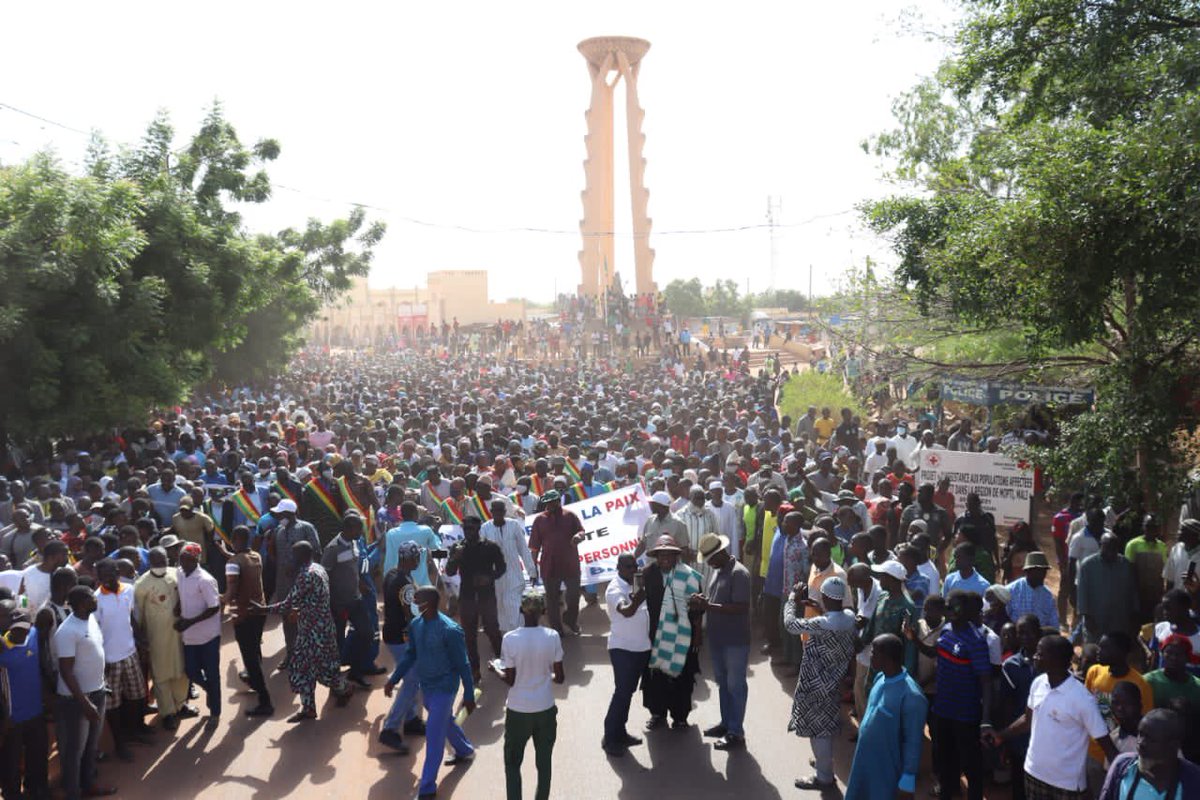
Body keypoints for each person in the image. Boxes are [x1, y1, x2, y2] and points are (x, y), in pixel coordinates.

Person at [985, 634, 1118, 799]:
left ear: (1056, 659)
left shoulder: (1082, 699)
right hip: (1033, 773)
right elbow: (1028, 720)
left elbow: (1105, 743)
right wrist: (1001, 736)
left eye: (1040, 654)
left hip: (1066, 785)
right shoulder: (1038, 683)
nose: (1035, 656)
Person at [389, 586, 476, 800]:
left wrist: (469, 694)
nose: (415, 602)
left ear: (431, 602)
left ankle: (427, 787)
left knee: (434, 735)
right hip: (426, 687)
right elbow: (410, 656)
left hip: (446, 688)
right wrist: (393, 679)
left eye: (419, 599)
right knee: (444, 721)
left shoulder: (451, 630)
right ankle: (464, 750)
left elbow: (463, 664)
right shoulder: (416, 626)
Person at [909, 589, 992, 800]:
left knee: (970, 764)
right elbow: (933, 652)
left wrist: (985, 720)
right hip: (942, 709)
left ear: (967, 611)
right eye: (950, 606)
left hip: (965, 714)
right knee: (946, 761)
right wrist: (913, 638)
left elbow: (986, 682)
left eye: (958, 607)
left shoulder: (975, 640)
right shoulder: (946, 631)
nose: (953, 610)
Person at [783, 575, 858, 791]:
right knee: (826, 726)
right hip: (833, 682)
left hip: (814, 683)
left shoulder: (821, 623)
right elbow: (835, 619)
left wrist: (791, 599)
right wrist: (820, 608)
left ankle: (824, 777)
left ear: (824, 596)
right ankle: (824, 763)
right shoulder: (849, 618)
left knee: (818, 732)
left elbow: (790, 625)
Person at [490, 587, 564, 800]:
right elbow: (559, 678)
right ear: (543, 611)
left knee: (512, 764)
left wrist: (495, 669)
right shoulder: (553, 636)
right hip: (545, 709)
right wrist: (543, 677)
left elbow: (510, 680)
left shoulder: (511, 639)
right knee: (544, 764)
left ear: (521, 610)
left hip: (518, 711)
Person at [845, 633, 927, 800]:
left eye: (874, 652)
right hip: (864, 764)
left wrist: (907, 781)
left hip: (886, 772)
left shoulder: (912, 696)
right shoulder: (880, 678)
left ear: (887, 657)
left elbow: (913, 742)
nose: (870, 656)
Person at [54, 585, 117, 799]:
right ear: (81, 603)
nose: (96, 598)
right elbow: (65, 670)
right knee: (75, 750)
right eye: (91, 597)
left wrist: (101, 683)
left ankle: (88, 785)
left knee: (91, 745)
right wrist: (84, 703)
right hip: (77, 700)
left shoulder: (89, 619)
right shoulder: (67, 631)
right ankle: (73, 792)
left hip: (97, 692)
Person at [693, 532, 752, 751]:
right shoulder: (718, 571)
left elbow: (740, 606)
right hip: (717, 638)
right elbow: (717, 601)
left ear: (719, 553)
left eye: (709, 558)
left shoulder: (739, 574)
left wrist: (708, 607)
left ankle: (736, 732)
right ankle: (726, 723)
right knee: (723, 684)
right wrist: (705, 603)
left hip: (735, 640)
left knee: (735, 686)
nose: (708, 563)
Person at [642, 535, 704, 730]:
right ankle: (657, 714)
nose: (665, 558)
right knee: (655, 676)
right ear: (656, 557)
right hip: (654, 635)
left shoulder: (690, 576)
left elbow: (698, 608)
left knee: (682, 677)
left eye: (670, 554)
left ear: (677, 556)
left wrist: (697, 635)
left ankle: (680, 716)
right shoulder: (647, 574)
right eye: (661, 555)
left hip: (682, 636)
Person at [94, 557, 152, 760]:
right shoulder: (96, 600)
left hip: (130, 652)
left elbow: (131, 619)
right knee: (114, 705)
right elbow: (95, 635)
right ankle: (120, 743)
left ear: (118, 572)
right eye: (102, 576)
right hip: (110, 660)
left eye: (110, 574)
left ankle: (137, 729)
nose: (106, 579)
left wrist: (141, 641)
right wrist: (101, 663)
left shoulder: (128, 589)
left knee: (137, 695)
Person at [1084, 632, 1154, 790]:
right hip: (1094, 752)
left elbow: (1146, 722)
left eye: (1105, 648)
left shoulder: (1140, 684)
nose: (1098, 651)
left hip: (1123, 754)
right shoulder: (1094, 672)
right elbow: (1086, 709)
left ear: (1122, 652)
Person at [133, 547, 193, 730]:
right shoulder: (141, 585)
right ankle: (167, 712)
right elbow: (138, 615)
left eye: (163, 560)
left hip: (179, 634)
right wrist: (142, 639)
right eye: (156, 561)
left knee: (182, 671)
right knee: (161, 675)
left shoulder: (178, 574)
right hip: (156, 637)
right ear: (150, 562)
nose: (161, 564)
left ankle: (181, 705)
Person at [446, 515, 506, 681]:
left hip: (487, 596)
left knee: (492, 630)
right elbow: (449, 572)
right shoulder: (457, 548)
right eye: (465, 529)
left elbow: (502, 567)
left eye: (471, 528)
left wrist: (490, 577)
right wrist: (455, 557)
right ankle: (475, 670)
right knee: (469, 635)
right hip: (467, 597)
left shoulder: (490, 547)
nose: (467, 532)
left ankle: (502, 662)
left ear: (478, 529)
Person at [603, 553, 651, 756]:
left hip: (640, 648)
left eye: (635, 566)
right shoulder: (615, 588)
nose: (633, 570)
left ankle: (620, 733)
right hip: (623, 649)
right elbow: (627, 611)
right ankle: (610, 737)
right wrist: (641, 596)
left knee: (628, 693)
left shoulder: (634, 584)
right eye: (629, 567)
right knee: (622, 692)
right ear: (619, 567)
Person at [222, 525, 272, 717]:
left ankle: (265, 700)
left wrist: (218, 599)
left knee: (250, 659)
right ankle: (253, 680)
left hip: (244, 616)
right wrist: (227, 554)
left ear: (234, 540)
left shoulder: (233, 563)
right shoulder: (255, 556)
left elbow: (231, 592)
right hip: (259, 612)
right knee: (254, 651)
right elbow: (239, 562)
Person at [380, 540, 425, 754]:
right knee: (412, 680)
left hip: (391, 633)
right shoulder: (405, 584)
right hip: (401, 638)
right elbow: (410, 615)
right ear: (409, 558)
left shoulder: (391, 574)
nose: (418, 561)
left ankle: (411, 720)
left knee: (411, 678)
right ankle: (390, 728)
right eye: (416, 557)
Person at [0, 603, 48, 799]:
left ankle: (36, 789)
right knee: (10, 762)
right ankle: (12, 794)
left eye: (24, 627)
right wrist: (3, 718)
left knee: (37, 756)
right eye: (15, 628)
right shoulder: (2, 650)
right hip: (13, 719)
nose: (21, 632)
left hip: (36, 712)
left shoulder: (34, 635)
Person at [267, 498, 322, 667]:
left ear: (290, 514)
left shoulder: (306, 528)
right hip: (284, 583)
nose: (278, 516)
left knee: (306, 619)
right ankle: (291, 654)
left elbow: (316, 552)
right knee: (287, 619)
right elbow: (274, 554)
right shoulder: (278, 530)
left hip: (304, 582)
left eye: (281, 514)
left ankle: (309, 655)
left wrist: (299, 567)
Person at [1098, 709, 1200, 799]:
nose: (1140, 743)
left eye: (1150, 739)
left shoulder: (1194, 781)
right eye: (1140, 734)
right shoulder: (1122, 767)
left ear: (1173, 745)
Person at [321, 511, 372, 688]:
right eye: (359, 528)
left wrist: (359, 583)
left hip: (356, 600)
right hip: (339, 604)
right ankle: (335, 681)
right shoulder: (332, 548)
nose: (361, 531)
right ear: (349, 528)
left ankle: (355, 672)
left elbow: (352, 567)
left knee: (367, 633)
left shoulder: (355, 543)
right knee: (337, 643)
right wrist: (332, 604)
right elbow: (324, 576)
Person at [175, 542, 222, 729]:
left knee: (212, 674)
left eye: (188, 559)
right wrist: (178, 607)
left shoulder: (205, 580)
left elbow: (214, 607)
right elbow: (181, 593)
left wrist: (190, 621)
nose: (184, 562)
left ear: (197, 559)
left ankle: (215, 713)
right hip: (189, 636)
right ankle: (210, 690)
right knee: (191, 671)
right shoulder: (179, 573)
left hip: (208, 635)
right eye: (182, 559)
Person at [528, 490, 585, 637]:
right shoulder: (539, 520)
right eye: (547, 503)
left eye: (552, 502)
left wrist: (578, 536)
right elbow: (534, 547)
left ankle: (570, 620)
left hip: (570, 563)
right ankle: (557, 629)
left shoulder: (570, 516)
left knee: (573, 596)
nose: (549, 506)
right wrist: (532, 567)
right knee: (551, 600)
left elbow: (581, 532)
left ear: (558, 501)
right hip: (549, 565)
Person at [1000, 615, 1044, 800]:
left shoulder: (1053, 663)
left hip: (1046, 738)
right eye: (1020, 633)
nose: (1024, 637)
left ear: (1039, 633)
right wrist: (1006, 742)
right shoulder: (1011, 666)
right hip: (1020, 738)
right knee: (1019, 787)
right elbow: (1007, 706)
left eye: (1029, 632)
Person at [481, 498, 537, 633]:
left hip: (514, 575)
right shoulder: (485, 528)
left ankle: (520, 635)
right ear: (491, 512)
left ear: (505, 511)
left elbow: (523, 549)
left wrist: (532, 571)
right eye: (495, 511)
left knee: (513, 605)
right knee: (500, 607)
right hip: (495, 577)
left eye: (501, 511)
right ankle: (507, 640)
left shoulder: (514, 525)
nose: (498, 513)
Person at [1078, 533, 1136, 643]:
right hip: (1096, 619)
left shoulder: (1125, 565)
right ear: (1100, 545)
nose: (1111, 550)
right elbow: (1082, 593)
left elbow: (1132, 591)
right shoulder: (1088, 565)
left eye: (1114, 547)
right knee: (1094, 652)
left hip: (1119, 619)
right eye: (1107, 546)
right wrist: (1086, 616)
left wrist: (1134, 613)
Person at [382, 500, 441, 590]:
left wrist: (387, 582)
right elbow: (437, 551)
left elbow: (389, 561)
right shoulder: (426, 530)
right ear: (416, 514)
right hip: (422, 584)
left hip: (399, 584)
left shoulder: (391, 533)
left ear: (401, 515)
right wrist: (436, 531)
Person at [1004, 552, 1059, 631]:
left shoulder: (1048, 596)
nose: (1042, 575)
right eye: (1038, 571)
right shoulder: (1011, 590)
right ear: (1027, 571)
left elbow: (1054, 625)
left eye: (1044, 571)